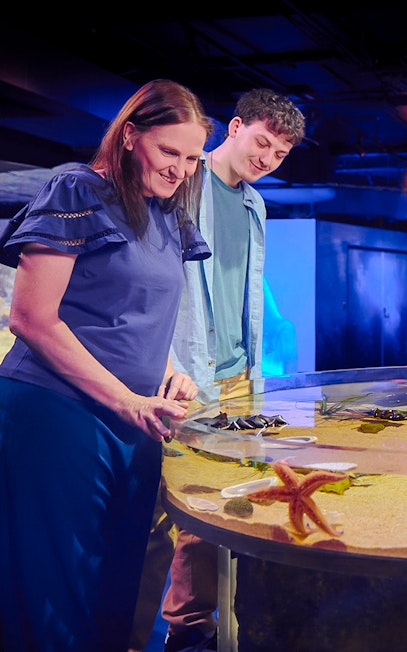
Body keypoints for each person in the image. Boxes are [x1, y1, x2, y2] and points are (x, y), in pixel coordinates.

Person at [0, 79, 212, 652]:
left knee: (118, 580)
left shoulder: (168, 214)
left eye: (192, 158)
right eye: (170, 152)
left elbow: (138, 311)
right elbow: (31, 318)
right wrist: (127, 398)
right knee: (58, 585)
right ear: (129, 136)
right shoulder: (76, 189)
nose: (181, 171)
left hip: (137, 420)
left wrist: (170, 370)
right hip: (59, 412)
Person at [131, 88, 306, 652]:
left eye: (279, 153)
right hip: (181, 373)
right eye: (261, 142)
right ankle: (138, 634)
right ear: (234, 127)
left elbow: (248, 297)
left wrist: (255, 374)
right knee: (166, 515)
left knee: (219, 505)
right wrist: (168, 364)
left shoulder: (256, 204)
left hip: (236, 378)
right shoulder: (184, 180)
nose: (266, 158)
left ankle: (195, 628)